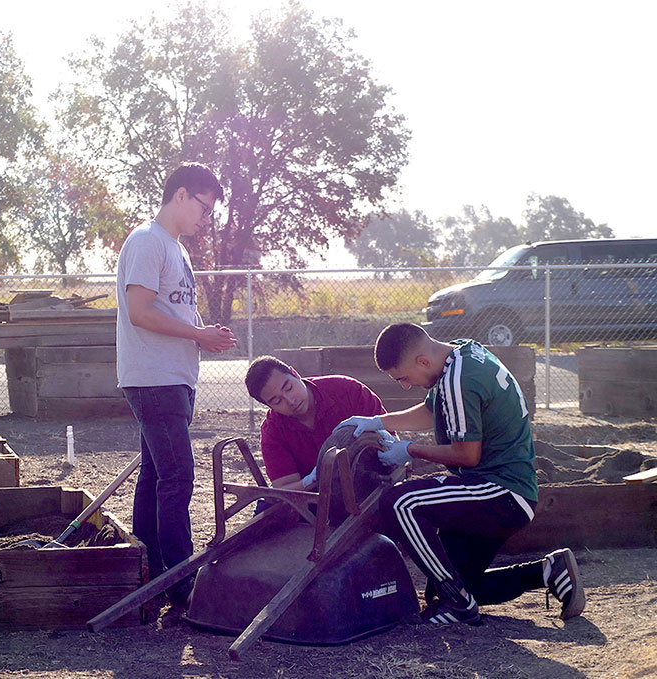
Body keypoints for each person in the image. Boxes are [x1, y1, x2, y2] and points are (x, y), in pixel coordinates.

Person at [335, 323, 584, 625]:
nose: (404, 385)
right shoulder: (462, 352)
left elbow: (467, 454)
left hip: (500, 491)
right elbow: (432, 411)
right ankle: (548, 571)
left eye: (403, 378)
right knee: (449, 586)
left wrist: (409, 449)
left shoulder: (458, 379)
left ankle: (458, 602)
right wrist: (380, 421)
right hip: (507, 490)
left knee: (399, 503)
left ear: (422, 362)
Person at [116, 162, 238, 606]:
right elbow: (140, 312)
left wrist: (206, 332)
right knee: (178, 478)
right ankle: (181, 582)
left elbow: (177, 311)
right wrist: (198, 335)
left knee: (155, 477)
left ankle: (148, 570)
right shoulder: (148, 241)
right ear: (181, 195)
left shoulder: (176, 249)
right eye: (204, 209)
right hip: (154, 379)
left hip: (173, 379)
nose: (206, 220)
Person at [244, 355, 387, 490]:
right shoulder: (272, 430)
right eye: (277, 401)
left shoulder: (347, 390)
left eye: (289, 388)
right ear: (269, 406)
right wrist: (313, 479)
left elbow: (388, 434)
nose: (290, 401)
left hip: (373, 482)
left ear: (295, 374)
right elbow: (285, 487)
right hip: (314, 494)